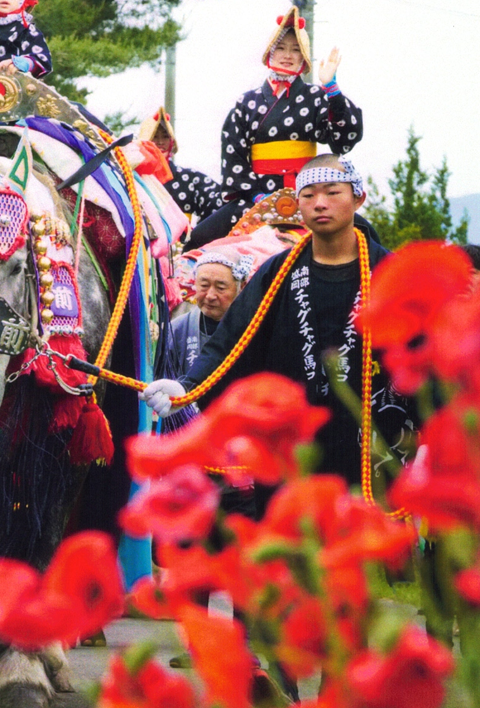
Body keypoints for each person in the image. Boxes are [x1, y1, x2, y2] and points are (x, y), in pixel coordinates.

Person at [144, 154, 417, 493]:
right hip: (292, 449)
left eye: (332, 193)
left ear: (358, 198)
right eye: (308, 195)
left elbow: (426, 359)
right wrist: (188, 388)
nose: (320, 204)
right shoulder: (277, 274)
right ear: (296, 203)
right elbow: (231, 341)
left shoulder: (392, 273)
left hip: (373, 453)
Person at [186, 8, 363, 248]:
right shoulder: (246, 102)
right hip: (256, 196)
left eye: (295, 49)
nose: (287, 55)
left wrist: (331, 87)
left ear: (304, 58)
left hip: (307, 195)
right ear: (270, 51)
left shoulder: (315, 96)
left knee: (366, 236)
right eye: (281, 47)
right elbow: (233, 155)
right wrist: (259, 198)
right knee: (198, 239)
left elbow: (343, 141)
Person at [167, 246, 250, 383]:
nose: (210, 296)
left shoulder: (254, 327)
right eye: (204, 285)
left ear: (241, 286)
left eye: (220, 288)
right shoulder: (177, 329)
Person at [142, 106, 223, 224]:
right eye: (155, 137)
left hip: (183, 241)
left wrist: (199, 235)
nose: (160, 142)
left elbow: (218, 202)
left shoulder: (190, 178)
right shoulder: (132, 180)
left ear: (171, 141)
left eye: (165, 137)